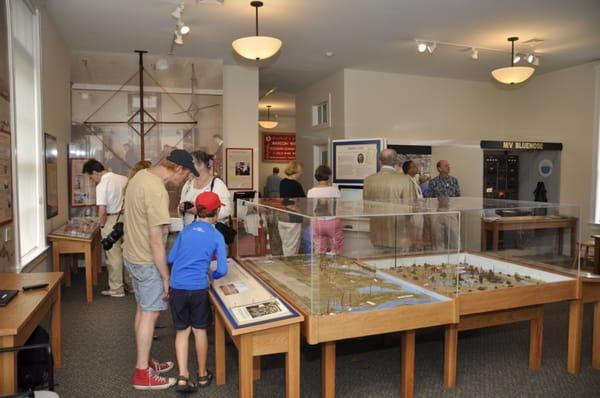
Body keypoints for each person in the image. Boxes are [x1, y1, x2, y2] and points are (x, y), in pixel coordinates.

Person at [123, 149, 199, 390]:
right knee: (151, 313)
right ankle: (141, 374)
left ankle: (144, 363)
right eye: (186, 176)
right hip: (147, 261)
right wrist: (166, 276)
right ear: (178, 168)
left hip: (132, 255)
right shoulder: (156, 190)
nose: (185, 181)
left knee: (143, 309)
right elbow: (156, 241)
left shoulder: (140, 177)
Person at [167, 192, 228, 392]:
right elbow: (222, 270)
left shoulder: (186, 231)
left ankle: (183, 376)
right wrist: (212, 276)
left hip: (177, 287)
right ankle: (202, 375)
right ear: (217, 210)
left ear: (198, 210)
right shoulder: (217, 235)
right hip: (199, 288)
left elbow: (170, 258)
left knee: (182, 331)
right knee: (200, 330)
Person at [82, 159, 130, 297]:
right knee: (128, 253)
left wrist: (101, 225)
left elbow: (102, 210)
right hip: (127, 219)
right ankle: (131, 285)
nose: (92, 180)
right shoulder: (124, 179)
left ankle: (116, 289)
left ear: (96, 172)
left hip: (111, 220)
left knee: (113, 256)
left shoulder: (102, 185)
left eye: (91, 177)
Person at [363, 149, 415, 248]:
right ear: (396, 161)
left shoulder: (368, 180)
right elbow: (410, 208)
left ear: (380, 161)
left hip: (377, 232)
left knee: (378, 261)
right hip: (399, 233)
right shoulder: (405, 180)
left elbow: (366, 207)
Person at [179, 150, 232, 226]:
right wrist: (182, 208)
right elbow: (180, 205)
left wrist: (199, 211)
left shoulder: (217, 184)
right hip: (189, 233)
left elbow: (226, 210)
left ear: (201, 165)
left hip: (210, 233)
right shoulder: (188, 184)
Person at [307, 165, 343, 254]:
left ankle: (320, 267)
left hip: (316, 222)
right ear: (329, 176)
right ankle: (336, 266)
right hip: (332, 221)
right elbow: (338, 207)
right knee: (337, 248)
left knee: (319, 249)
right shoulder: (335, 191)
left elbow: (311, 209)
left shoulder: (311, 191)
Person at [278, 160, 305, 256]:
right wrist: (300, 211)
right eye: (300, 170)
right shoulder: (296, 185)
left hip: (282, 217)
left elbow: (284, 200)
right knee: (293, 249)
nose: (302, 173)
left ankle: (286, 267)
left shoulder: (282, 182)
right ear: (296, 171)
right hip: (293, 218)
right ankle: (290, 269)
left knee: (286, 246)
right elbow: (302, 201)